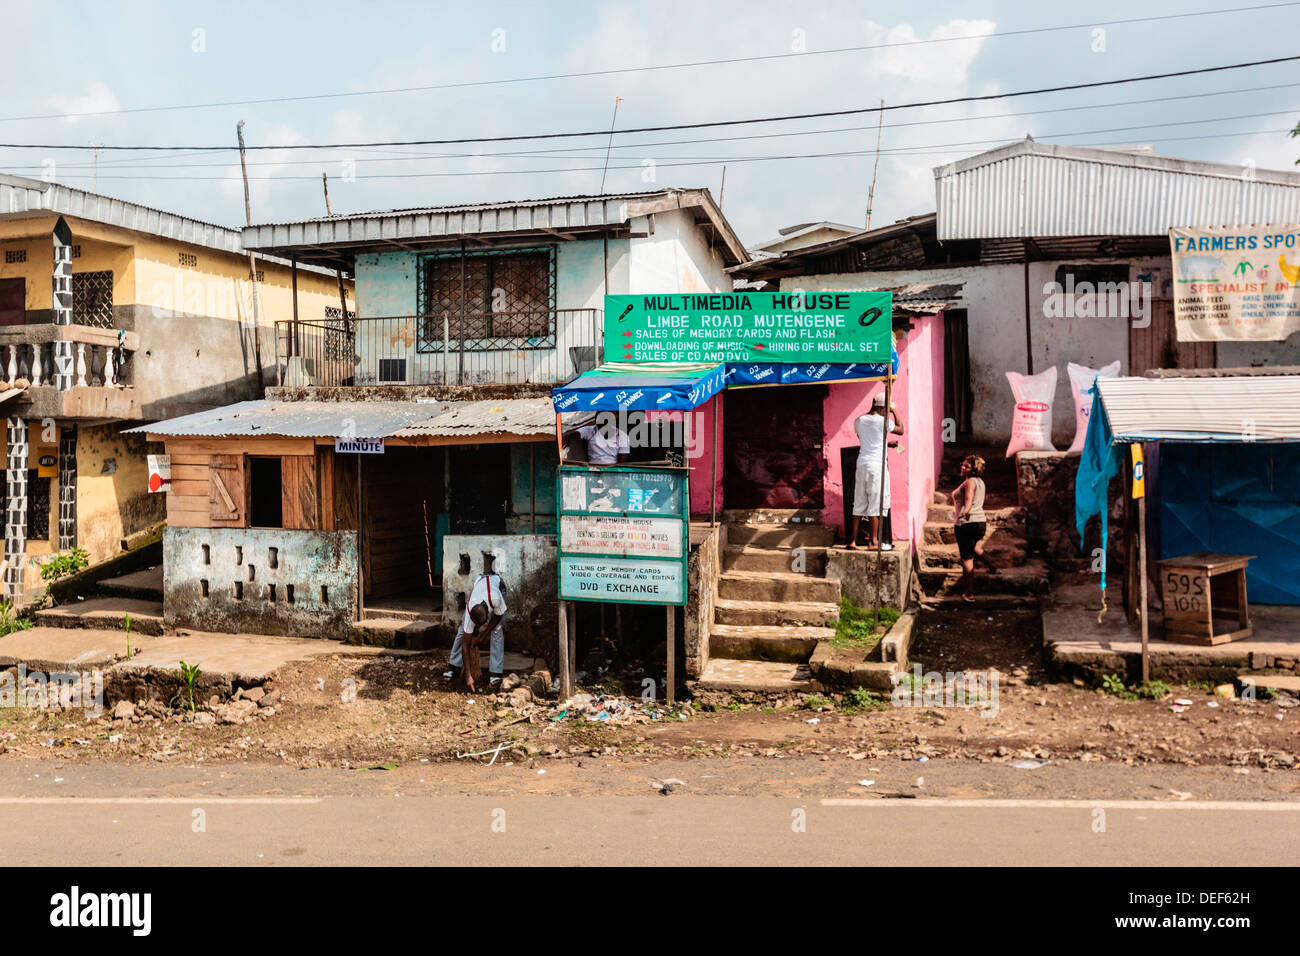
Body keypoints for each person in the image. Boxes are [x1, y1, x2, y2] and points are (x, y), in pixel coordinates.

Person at [847, 392, 902, 550]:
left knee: (858, 503)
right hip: (877, 466)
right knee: (875, 503)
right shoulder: (883, 421)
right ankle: (873, 542)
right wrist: (895, 411)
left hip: (862, 463)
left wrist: (885, 444)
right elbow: (900, 429)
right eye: (887, 408)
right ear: (883, 407)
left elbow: (868, 442)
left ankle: (852, 541)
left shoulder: (859, 420)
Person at [444, 570, 507, 691]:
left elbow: (498, 615)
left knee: (497, 630)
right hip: (480, 583)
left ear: (487, 615)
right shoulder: (469, 612)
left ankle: (495, 673)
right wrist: (468, 675)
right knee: (463, 631)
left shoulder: (495, 599)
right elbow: (465, 644)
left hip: (497, 585)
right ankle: (453, 665)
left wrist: (483, 636)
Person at [951, 454, 998, 601]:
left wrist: (965, 511)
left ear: (973, 469)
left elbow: (968, 499)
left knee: (966, 558)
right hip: (980, 523)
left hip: (967, 523)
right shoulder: (980, 482)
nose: (963, 467)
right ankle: (992, 566)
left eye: (967, 466)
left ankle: (969, 593)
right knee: (973, 548)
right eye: (963, 464)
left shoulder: (970, 482)